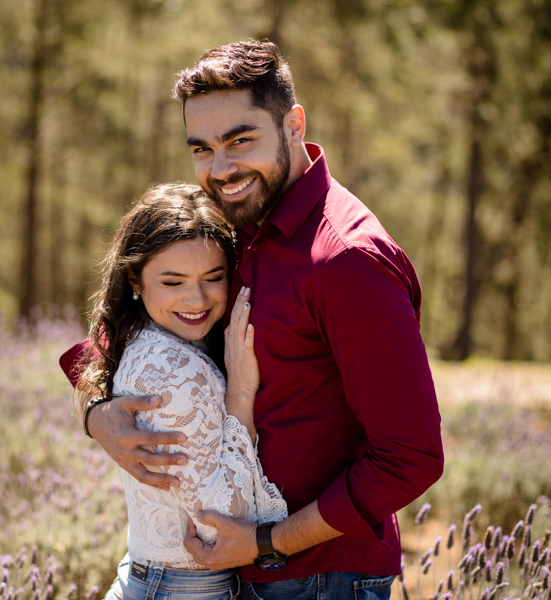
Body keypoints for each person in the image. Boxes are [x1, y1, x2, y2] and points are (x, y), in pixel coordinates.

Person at [63, 40, 444, 600]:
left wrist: (269, 542)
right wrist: (97, 412)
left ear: (293, 124)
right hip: (231, 572)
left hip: (321, 578)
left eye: (241, 140)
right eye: (202, 149)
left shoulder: (346, 261)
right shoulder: (236, 221)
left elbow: (411, 457)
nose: (220, 169)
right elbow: (126, 317)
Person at [73, 182, 288, 600]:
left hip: (151, 577)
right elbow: (219, 523)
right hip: (186, 588)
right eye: (173, 282)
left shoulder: (139, 335)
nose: (197, 299)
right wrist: (241, 395)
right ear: (135, 278)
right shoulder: (175, 368)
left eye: (214, 277)